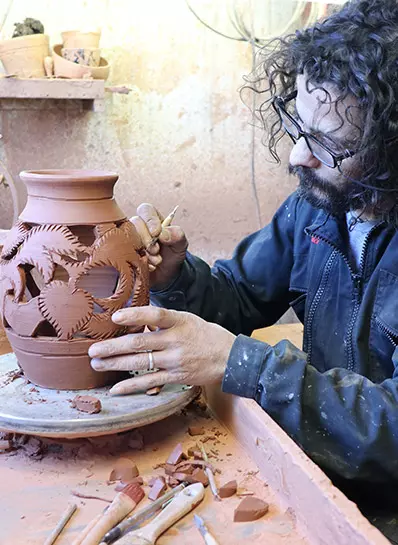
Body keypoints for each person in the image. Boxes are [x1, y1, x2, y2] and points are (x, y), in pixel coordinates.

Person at [89, 0, 398, 498]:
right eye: (297, 126)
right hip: (327, 471)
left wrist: (242, 364)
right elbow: (239, 296)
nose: (298, 155)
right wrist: (175, 278)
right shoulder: (317, 207)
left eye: (328, 144)